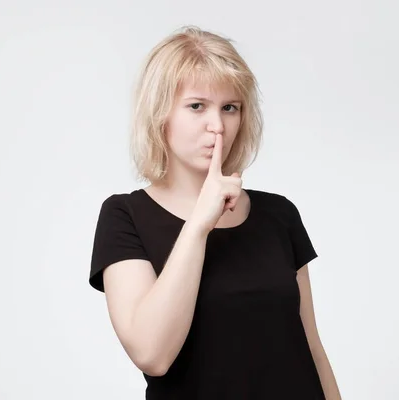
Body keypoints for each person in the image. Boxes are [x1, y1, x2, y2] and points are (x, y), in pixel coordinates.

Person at [88, 26, 342, 400]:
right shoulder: (124, 216)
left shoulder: (279, 214)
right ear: (161, 114)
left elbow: (313, 351)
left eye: (230, 107)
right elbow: (152, 354)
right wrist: (199, 225)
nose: (217, 125)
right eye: (197, 106)